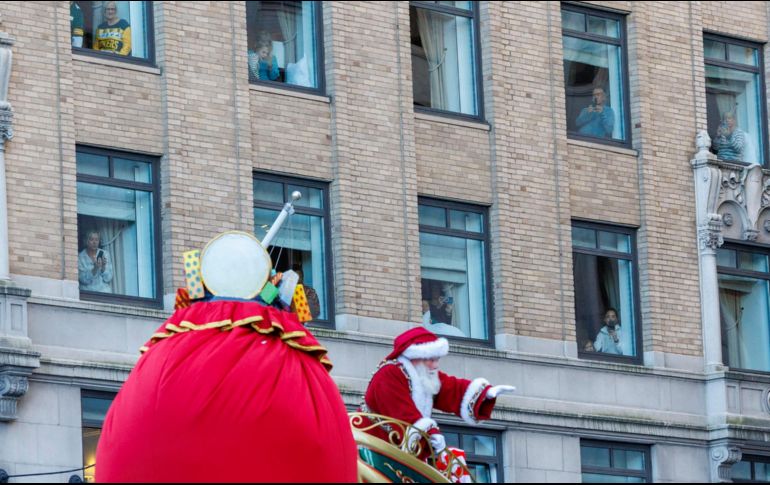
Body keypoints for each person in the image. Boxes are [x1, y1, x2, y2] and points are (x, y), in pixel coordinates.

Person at [358, 327, 516, 460]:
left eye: (437, 359)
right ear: (415, 357)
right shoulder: (390, 373)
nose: (435, 365)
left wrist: (485, 393)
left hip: (397, 452)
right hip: (372, 448)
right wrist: (430, 432)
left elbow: (452, 389)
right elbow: (401, 412)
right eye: (431, 360)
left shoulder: (423, 375)